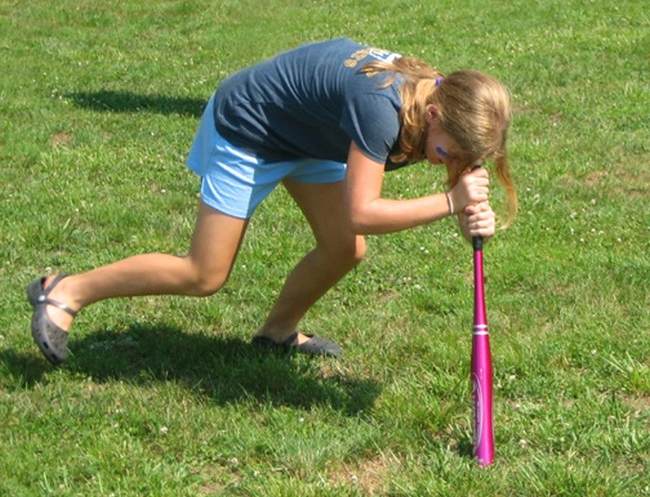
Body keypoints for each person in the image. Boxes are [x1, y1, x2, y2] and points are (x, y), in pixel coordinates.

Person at [27, 37, 517, 364]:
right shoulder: (381, 108)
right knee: (204, 274)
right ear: (432, 113)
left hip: (307, 137)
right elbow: (362, 211)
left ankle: (277, 333)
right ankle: (66, 291)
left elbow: (458, 185)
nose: (448, 162)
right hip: (250, 126)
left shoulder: (450, 109)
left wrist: (471, 214)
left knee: (344, 248)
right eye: (447, 152)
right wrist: (452, 203)